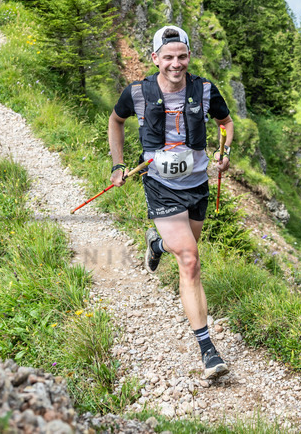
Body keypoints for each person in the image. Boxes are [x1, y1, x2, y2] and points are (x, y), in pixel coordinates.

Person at [108, 25, 234, 380]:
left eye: (181, 56)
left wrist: (224, 152)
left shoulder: (205, 90)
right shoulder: (136, 93)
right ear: (155, 59)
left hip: (197, 185)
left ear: (189, 57)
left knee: (185, 247)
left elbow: (226, 123)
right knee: (191, 260)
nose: (175, 64)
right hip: (161, 186)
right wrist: (118, 164)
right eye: (168, 57)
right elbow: (115, 122)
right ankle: (208, 351)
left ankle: (157, 243)